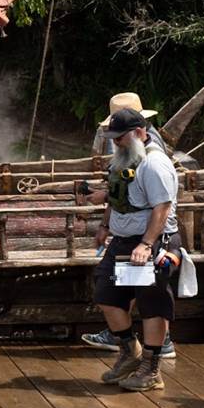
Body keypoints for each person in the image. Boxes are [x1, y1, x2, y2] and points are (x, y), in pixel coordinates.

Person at [82, 91, 177, 358]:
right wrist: (105, 225)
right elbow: (119, 193)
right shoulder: (125, 155)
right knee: (109, 294)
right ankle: (129, 353)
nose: (115, 142)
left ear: (137, 131)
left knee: (151, 300)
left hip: (150, 242)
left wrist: (147, 244)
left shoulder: (154, 162)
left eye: (119, 137)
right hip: (126, 241)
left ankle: (151, 362)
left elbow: (163, 206)